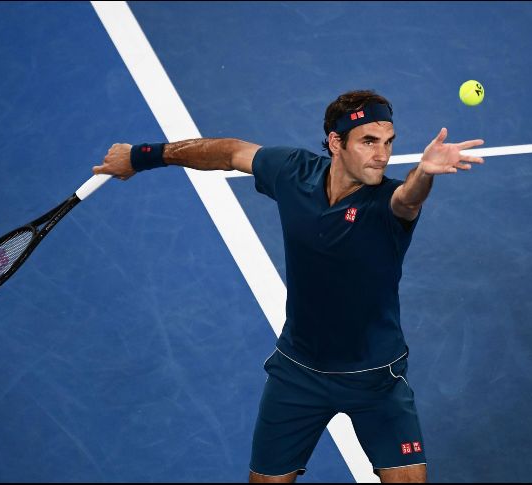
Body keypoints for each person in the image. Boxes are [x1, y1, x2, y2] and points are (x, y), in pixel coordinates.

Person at [92, 90, 484, 483]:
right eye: (368, 141)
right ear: (336, 142)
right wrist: (141, 156)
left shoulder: (386, 204)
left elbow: (409, 198)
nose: (382, 155)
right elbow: (229, 152)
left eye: (387, 142)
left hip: (376, 378)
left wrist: (424, 173)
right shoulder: (293, 172)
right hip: (299, 372)